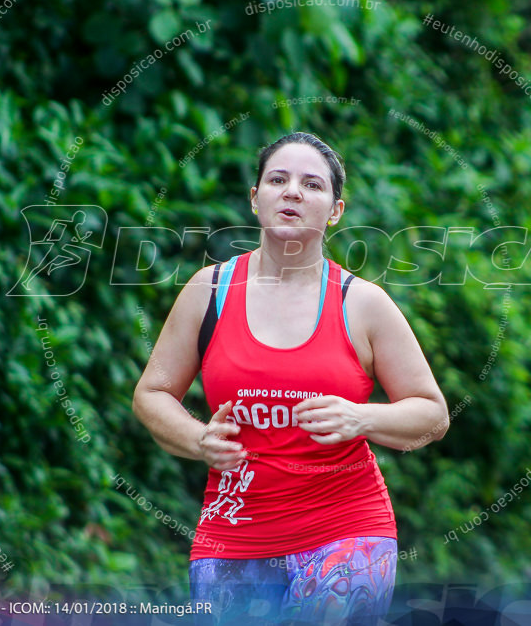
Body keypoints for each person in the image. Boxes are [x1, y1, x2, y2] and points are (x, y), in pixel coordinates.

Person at [132, 131, 448, 624]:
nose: (293, 191)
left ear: (335, 210)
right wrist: (199, 439)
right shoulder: (209, 290)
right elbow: (152, 394)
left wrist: (360, 417)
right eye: (278, 179)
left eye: (312, 184)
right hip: (234, 533)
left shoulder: (361, 303)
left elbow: (432, 415)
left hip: (346, 528)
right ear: (256, 199)